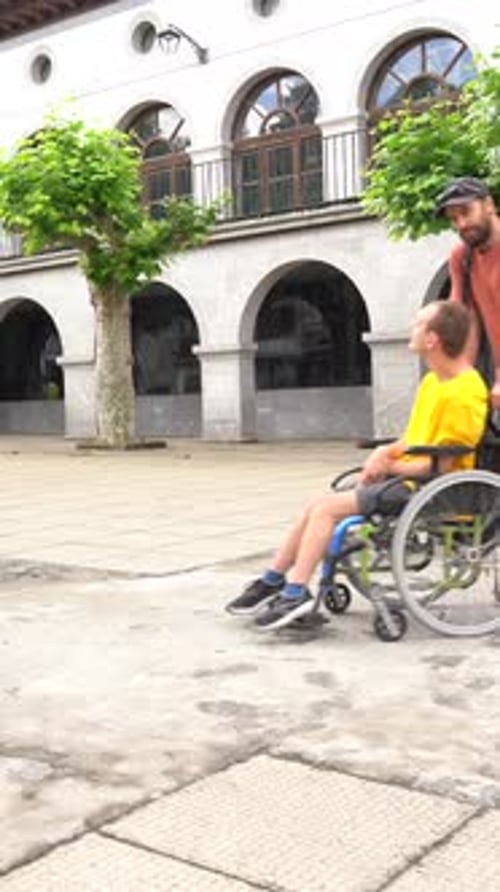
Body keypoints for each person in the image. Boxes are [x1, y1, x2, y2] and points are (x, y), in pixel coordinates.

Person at [225, 301, 488, 630]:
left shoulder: (465, 392)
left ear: (433, 339)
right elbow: (414, 440)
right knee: (315, 506)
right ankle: (273, 580)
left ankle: (295, 592)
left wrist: (389, 467)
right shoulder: (434, 383)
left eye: (418, 324)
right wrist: (384, 452)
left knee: (325, 510)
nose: (412, 328)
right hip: (407, 482)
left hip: (431, 490)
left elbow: (442, 466)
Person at [435, 176, 500, 408]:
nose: (461, 224)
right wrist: (461, 376)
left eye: (466, 212)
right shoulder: (463, 257)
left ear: (489, 205)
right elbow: (465, 321)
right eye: (454, 219)